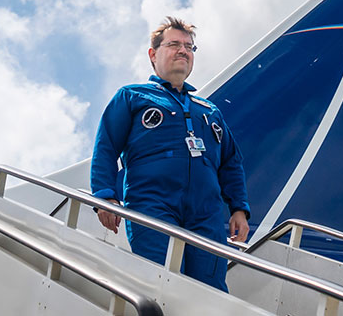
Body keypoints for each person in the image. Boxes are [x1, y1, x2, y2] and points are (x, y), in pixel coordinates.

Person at [90, 17, 250, 292]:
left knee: (209, 293)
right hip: (153, 205)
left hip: (206, 214)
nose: (183, 51)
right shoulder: (132, 96)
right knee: (158, 284)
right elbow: (106, 147)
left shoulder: (209, 110)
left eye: (189, 47)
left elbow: (230, 164)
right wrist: (104, 196)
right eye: (174, 44)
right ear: (153, 54)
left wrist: (239, 208)